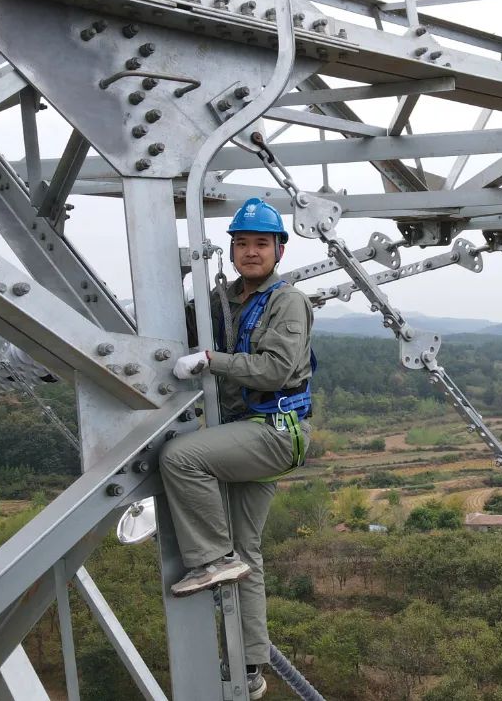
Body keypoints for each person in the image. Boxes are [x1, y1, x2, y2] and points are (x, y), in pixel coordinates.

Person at [163, 197, 313, 700]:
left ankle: (207, 558)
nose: (251, 253)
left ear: (279, 251)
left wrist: (212, 361)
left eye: (261, 244)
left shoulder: (286, 301)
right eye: (243, 244)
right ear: (230, 250)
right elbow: (177, 329)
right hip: (247, 431)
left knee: (181, 457)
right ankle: (250, 666)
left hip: (274, 430)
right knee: (246, 553)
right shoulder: (225, 299)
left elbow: (274, 369)